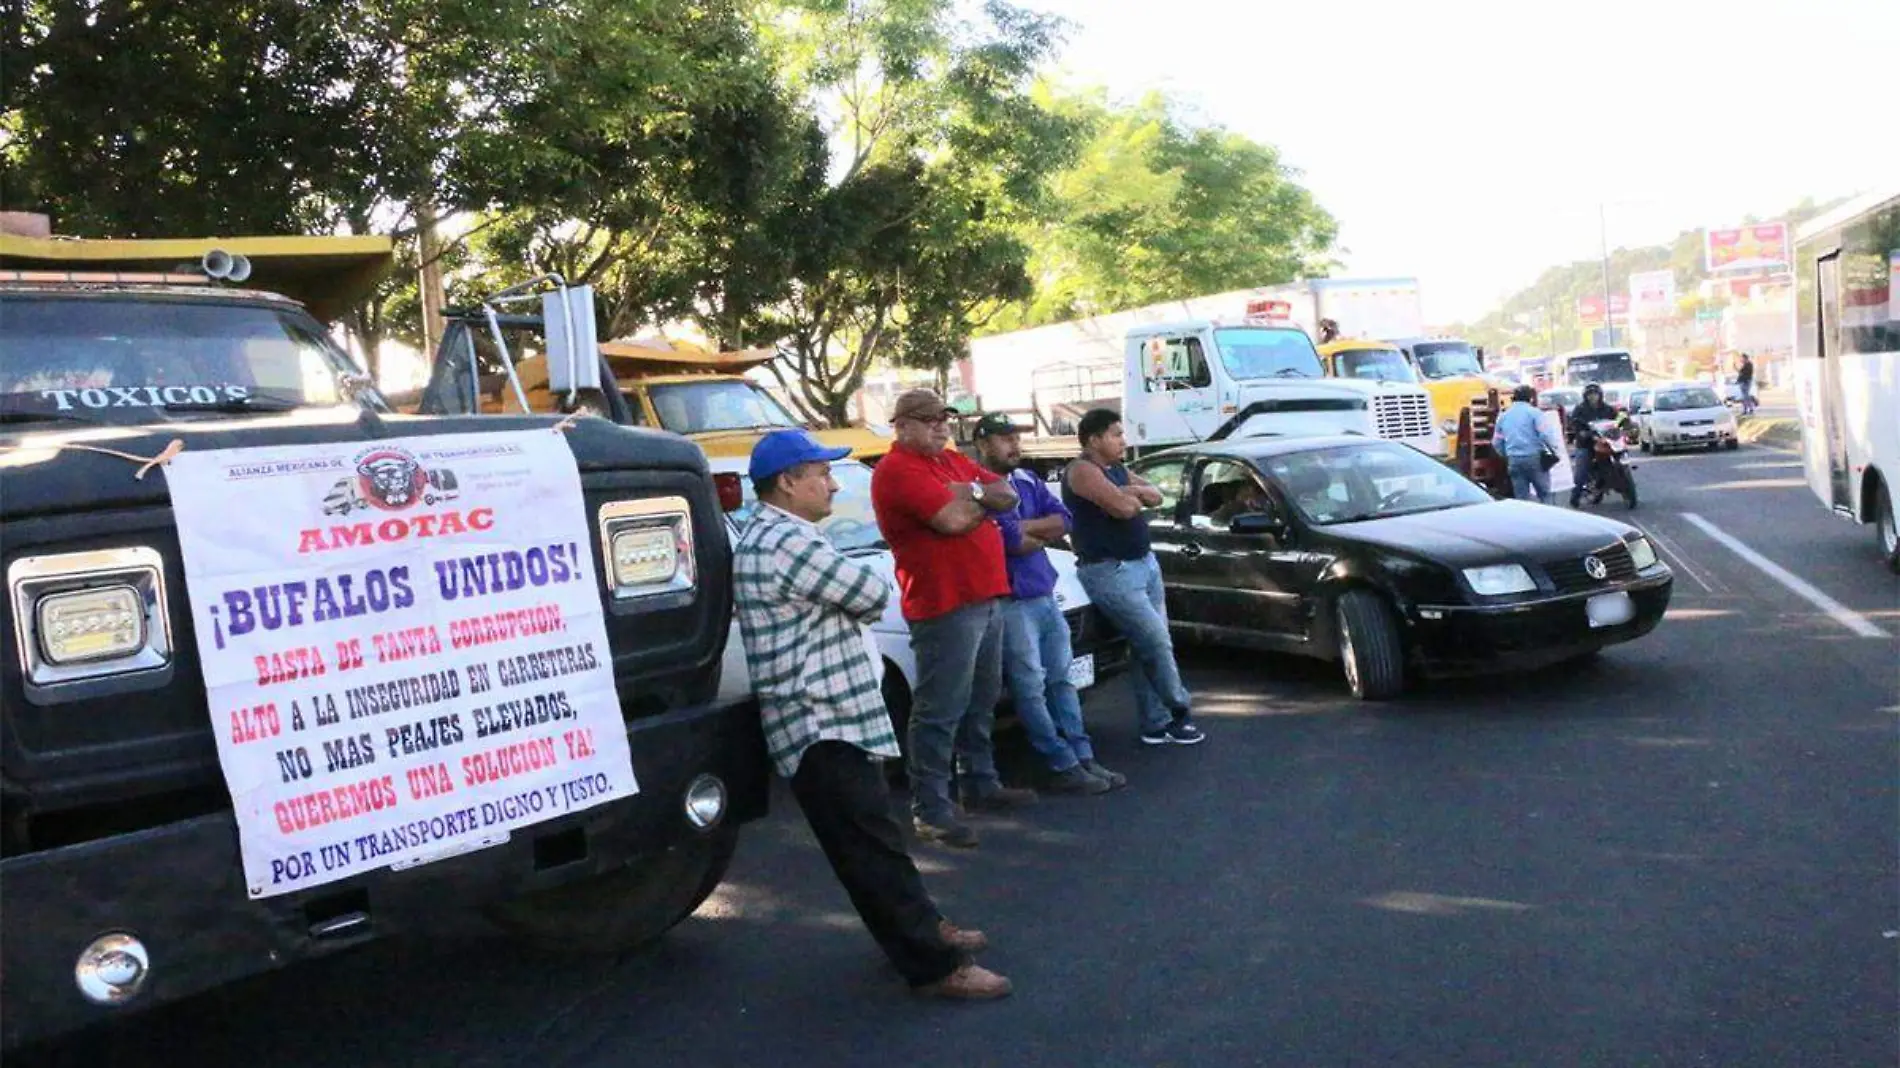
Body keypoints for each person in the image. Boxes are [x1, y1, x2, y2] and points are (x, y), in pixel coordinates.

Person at [733, 429, 1011, 1000]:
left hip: (825, 720)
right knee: (869, 849)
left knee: (875, 840)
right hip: (819, 724)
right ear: (788, 482)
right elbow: (868, 592)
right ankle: (934, 966)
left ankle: (923, 929)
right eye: (821, 473)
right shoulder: (787, 541)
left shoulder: (782, 534)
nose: (833, 483)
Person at [870, 389, 1036, 850]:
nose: (941, 427)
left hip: (985, 596)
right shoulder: (897, 470)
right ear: (901, 425)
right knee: (940, 709)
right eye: (928, 420)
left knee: (981, 698)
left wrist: (972, 494)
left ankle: (980, 781)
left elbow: (1008, 493)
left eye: (944, 419)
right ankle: (932, 808)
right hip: (944, 604)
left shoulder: (952, 463)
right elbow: (951, 521)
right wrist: (974, 501)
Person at [969, 412, 1126, 796]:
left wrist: (1027, 530)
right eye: (1004, 439)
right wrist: (1034, 531)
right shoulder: (979, 489)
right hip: (1012, 601)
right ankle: (1060, 762)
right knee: (1030, 686)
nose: (1014, 445)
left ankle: (1081, 754)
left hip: (1043, 594)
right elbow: (1011, 543)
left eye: (1015, 437)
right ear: (983, 444)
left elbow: (1064, 520)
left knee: (1061, 679)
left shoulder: (1026, 480)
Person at [1061, 408, 1202, 747]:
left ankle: (1156, 724)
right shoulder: (1082, 471)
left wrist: (1130, 493)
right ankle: (1180, 707)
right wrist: (1130, 496)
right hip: (1111, 570)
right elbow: (1123, 509)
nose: (1124, 440)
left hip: (1144, 564)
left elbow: (1155, 494)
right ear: (1094, 440)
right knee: (1155, 640)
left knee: (1146, 647)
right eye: (1116, 434)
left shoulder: (1117, 469)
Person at [1494, 385, 1554, 503]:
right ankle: (1547, 519)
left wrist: (1506, 455)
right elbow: (1546, 435)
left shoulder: (1504, 416)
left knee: (1522, 499)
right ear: (1530, 398)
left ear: (1513, 398)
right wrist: (1553, 452)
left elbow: (1497, 441)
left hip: (1514, 459)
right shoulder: (1535, 413)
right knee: (1544, 494)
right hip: (1534, 458)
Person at [1565, 383, 1618, 507]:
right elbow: (1574, 423)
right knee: (1581, 471)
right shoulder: (1580, 409)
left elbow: (1617, 419)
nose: (1593, 397)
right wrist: (1581, 432)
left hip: (1607, 442)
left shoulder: (1607, 409)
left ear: (1600, 395)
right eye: (1590, 394)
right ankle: (1575, 496)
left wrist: (1623, 424)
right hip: (1587, 444)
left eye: (1595, 394)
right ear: (1585, 396)